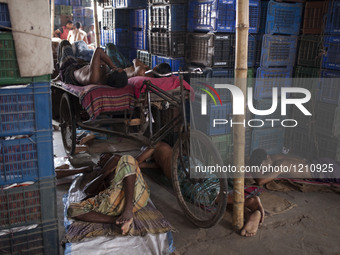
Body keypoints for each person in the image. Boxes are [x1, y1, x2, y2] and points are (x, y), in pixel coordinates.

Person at [249, 148, 340, 186]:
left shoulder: (281, 164)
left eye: (263, 167)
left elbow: (261, 181)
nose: (263, 170)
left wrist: (254, 169)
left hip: (325, 171)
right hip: (321, 163)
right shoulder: (274, 157)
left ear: (267, 158)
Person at [57, 40, 128, 88]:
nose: (115, 67)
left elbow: (99, 50)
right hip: (79, 66)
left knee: (64, 43)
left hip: (69, 70)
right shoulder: (105, 78)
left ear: (111, 73)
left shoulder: (95, 77)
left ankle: (59, 73)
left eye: (116, 69)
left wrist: (112, 66)